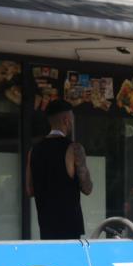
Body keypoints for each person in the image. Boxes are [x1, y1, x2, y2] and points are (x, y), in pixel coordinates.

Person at [26, 99, 93, 239]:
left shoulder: (34, 150)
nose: (72, 123)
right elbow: (87, 188)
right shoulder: (74, 149)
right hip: (70, 230)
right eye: (72, 119)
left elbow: (30, 190)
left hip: (46, 228)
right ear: (66, 120)